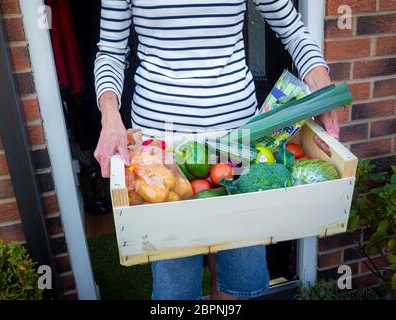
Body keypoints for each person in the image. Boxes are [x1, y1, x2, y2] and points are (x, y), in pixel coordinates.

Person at [94, 0, 339, 300]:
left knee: (239, 278)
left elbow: (292, 29)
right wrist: (109, 114)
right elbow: (111, 51)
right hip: (162, 154)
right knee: (177, 285)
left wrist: (325, 92)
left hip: (239, 147)